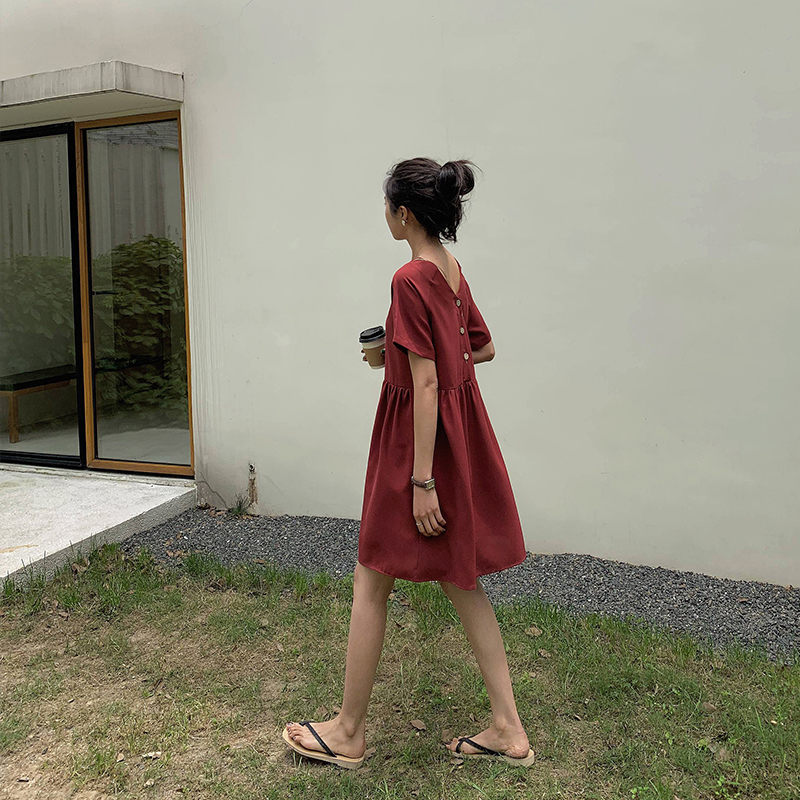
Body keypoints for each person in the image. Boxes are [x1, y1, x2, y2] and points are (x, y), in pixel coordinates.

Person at [283, 157, 534, 769]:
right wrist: (395, 357)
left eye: (386, 207)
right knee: (460, 578)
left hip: (418, 447)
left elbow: (425, 383)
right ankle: (508, 728)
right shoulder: (450, 269)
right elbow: (481, 348)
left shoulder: (409, 277)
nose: (384, 216)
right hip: (456, 436)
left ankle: (348, 732)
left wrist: (422, 481)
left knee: (371, 576)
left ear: (403, 213)